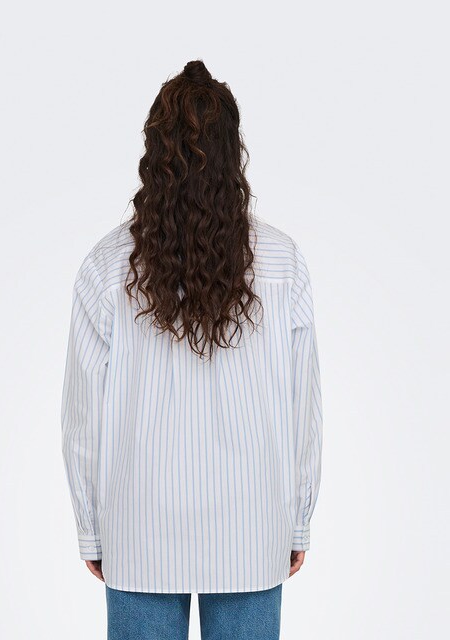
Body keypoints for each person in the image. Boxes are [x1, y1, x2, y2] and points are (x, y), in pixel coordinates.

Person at [61, 59, 323, 640]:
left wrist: (92, 527)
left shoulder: (106, 265)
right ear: (234, 154)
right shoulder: (281, 262)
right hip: (252, 529)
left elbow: (81, 417)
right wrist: (297, 520)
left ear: (154, 153)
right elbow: (304, 408)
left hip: (140, 533)